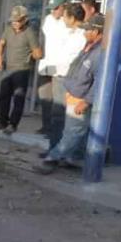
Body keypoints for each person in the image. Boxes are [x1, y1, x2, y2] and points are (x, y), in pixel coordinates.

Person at [35, 13, 106, 174]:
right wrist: (68, 90)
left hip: (81, 99)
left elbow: (99, 82)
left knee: (73, 132)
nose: (84, 32)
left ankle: (51, 159)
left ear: (96, 31)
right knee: (75, 131)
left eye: (88, 30)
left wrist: (86, 101)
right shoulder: (89, 47)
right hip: (73, 95)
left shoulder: (100, 54)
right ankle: (70, 159)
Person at [39, 3, 87, 155]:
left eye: (65, 16)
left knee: (71, 119)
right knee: (58, 117)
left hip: (71, 81)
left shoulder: (83, 36)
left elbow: (73, 61)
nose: (63, 19)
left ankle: (65, 154)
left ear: (72, 18)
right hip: (59, 77)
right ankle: (53, 150)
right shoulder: (67, 32)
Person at [0, 6, 43, 134]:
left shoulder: (30, 33)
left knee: (18, 98)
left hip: (22, 70)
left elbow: (38, 53)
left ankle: (13, 125)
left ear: (25, 19)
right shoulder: (8, 30)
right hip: (7, 69)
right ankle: (2, 122)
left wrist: (32, 56)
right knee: (3, 96)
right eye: (13, 20)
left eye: (18, 20)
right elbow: (1, 43)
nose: (15, 23)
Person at [36, 0, 67, 134]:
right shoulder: (48, 20)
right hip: (46, 64)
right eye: (51, 9)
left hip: (60, 66)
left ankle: (54, 131)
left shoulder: (67, 22)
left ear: (63, 7)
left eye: (55, 9)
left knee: (58, 101)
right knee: (45, 97)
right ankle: (46, 126)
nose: (53, 12)